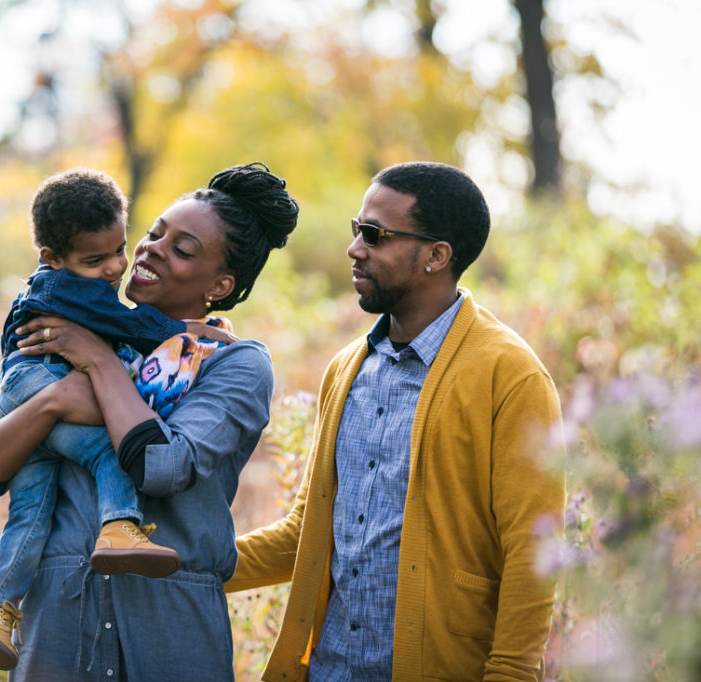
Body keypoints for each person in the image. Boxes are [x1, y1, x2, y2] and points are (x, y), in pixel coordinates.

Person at [0, 162, 300, 679]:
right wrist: (53, 401)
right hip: (60, 635)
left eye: (182, 248)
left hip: (170, 636)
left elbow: (163, 465)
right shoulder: (68, 340)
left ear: (220, 284)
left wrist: (99, 362)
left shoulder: (232, 363)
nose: (150, 249)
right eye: (154, 233)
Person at [226, 161, 564, 681]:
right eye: (356, 230)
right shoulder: (345, 370)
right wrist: (186, 563)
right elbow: (307, 534)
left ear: (436, 256)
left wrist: (512, 674)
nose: (355, 248)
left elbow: (533, 549)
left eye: (375, 235)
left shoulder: (510, 376)